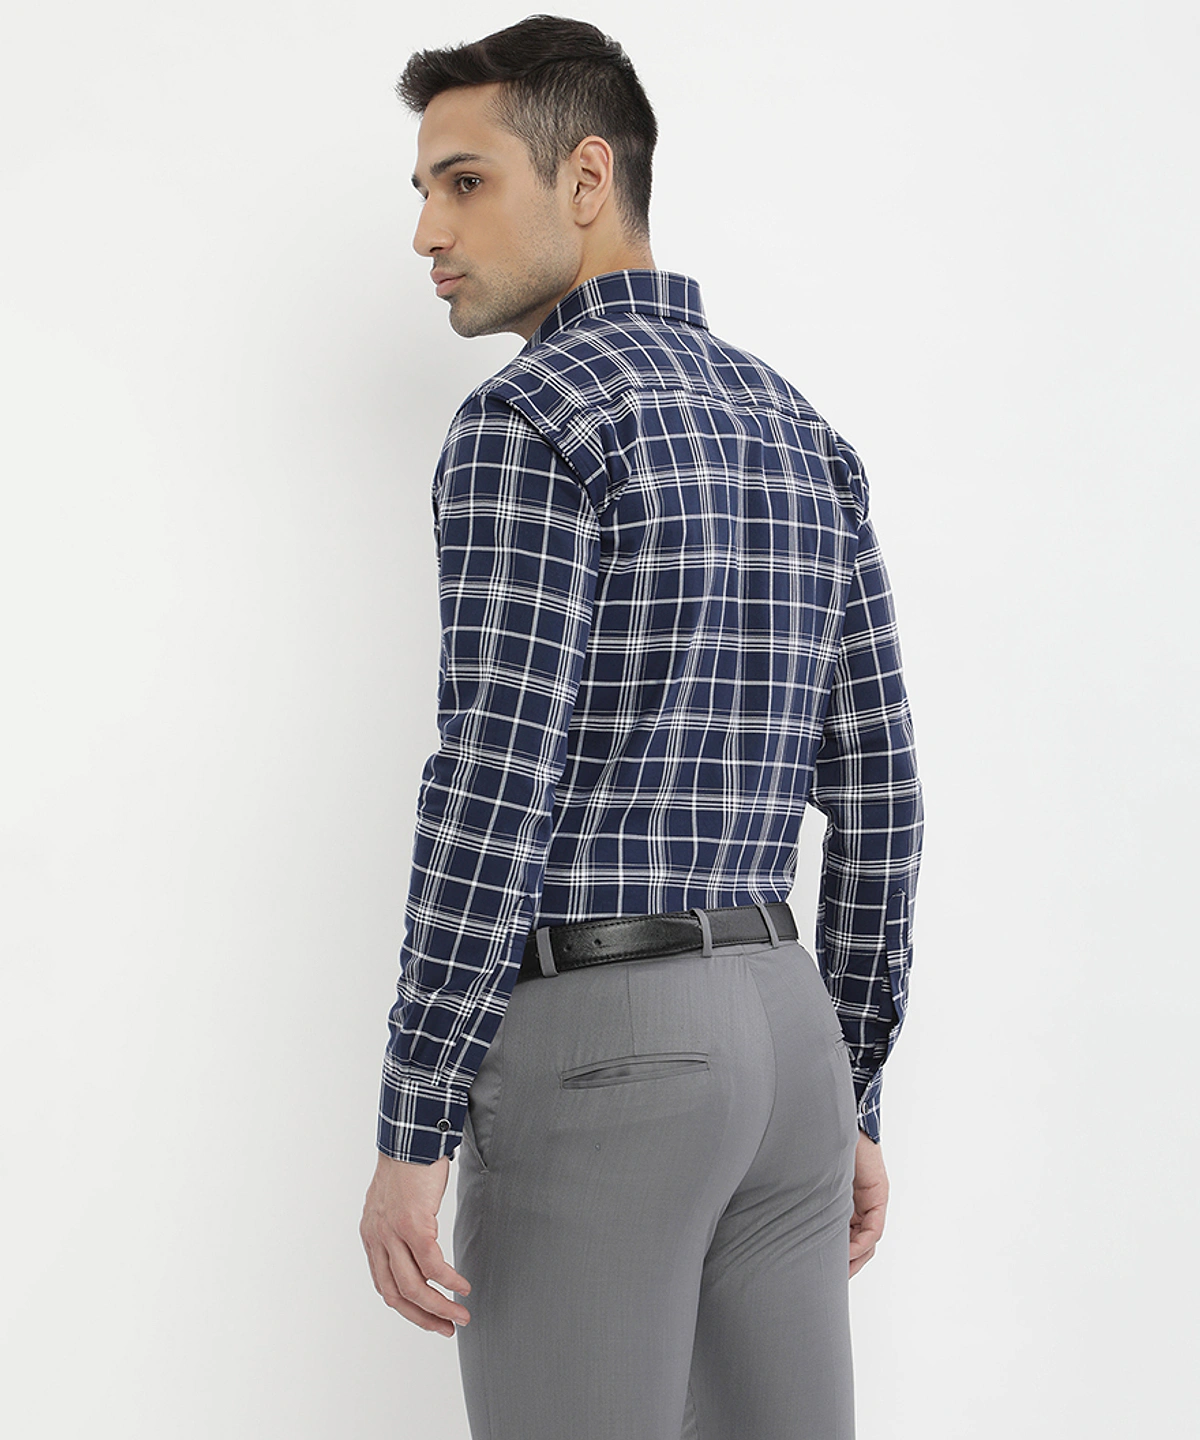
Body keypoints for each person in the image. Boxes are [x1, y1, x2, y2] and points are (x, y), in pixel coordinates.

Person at [359, 15, 923, 1439]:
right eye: (422, 191)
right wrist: (850, 1083)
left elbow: (495, 780)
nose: (429, 231)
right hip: (787, 1035)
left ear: (588, 177)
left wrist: (415, 1120)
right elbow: (882, 790)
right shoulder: (799, 428)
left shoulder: (531, 420)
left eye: (465, 181)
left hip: (607, 1036)